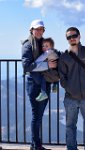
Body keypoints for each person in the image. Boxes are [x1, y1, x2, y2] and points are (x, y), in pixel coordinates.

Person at [58, 27, 85, 150]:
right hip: (70, 98)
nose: (72, 38)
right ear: (67, 39)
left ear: (79, 36)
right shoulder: (64, 56)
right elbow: (62, 77)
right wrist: (70, 89)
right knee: (70, 126)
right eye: (69, 37)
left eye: (74, 35)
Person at [21, 19, 57, 150]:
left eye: (41, 29)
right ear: (31, 30)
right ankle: (36, 146)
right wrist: (47, 65)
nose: (39, 31)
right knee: (37, 116)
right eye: (37, 29)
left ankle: (34, 145)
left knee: (39, 116)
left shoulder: (43, 44)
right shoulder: (28, 45)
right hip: (34, 84)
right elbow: (26, 66)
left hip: (44, 83)